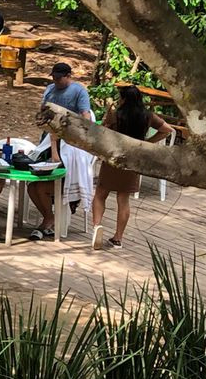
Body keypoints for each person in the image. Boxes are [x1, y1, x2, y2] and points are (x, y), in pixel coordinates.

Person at [90, 86, 175, 250]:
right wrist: (146, 143)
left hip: (114, 157)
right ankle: (118, 238)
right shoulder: (147, 115)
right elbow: (167, 130)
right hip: (133, 160)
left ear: (123, 99)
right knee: (124, 199)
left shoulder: (116, 114)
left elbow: (102, 131)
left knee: (101, 193)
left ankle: (97, 227)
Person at [26, 62, 94, 240]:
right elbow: (43, 109)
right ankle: (50, 217)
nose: (55, 81)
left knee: (49, 180)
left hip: (68, 143)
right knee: (33, 183)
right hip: (48, 139)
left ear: (68, 76)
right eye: (53, 78)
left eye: (59, 78)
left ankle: (55, 215)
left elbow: (86, 116)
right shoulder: (50, 89)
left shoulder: (79, 91)